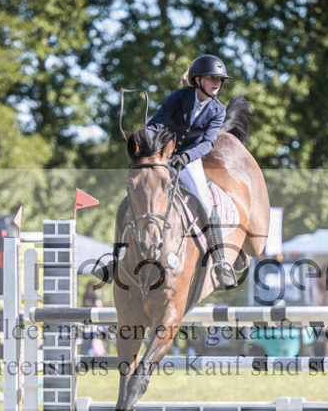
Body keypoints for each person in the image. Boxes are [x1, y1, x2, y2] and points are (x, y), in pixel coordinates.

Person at [95, 54, 236, 289]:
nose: (217, 84)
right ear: (198, 80)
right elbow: (158, 121)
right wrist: (145, 137)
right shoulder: (179, 97)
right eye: (212, 78)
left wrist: (187, 157)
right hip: (162, 156)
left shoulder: (217, 110)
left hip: (189, 159)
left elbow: (208, 143)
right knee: (127, 198)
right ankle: (116, 257)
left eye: (220, 80)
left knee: (206, 202)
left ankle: (220, 262)